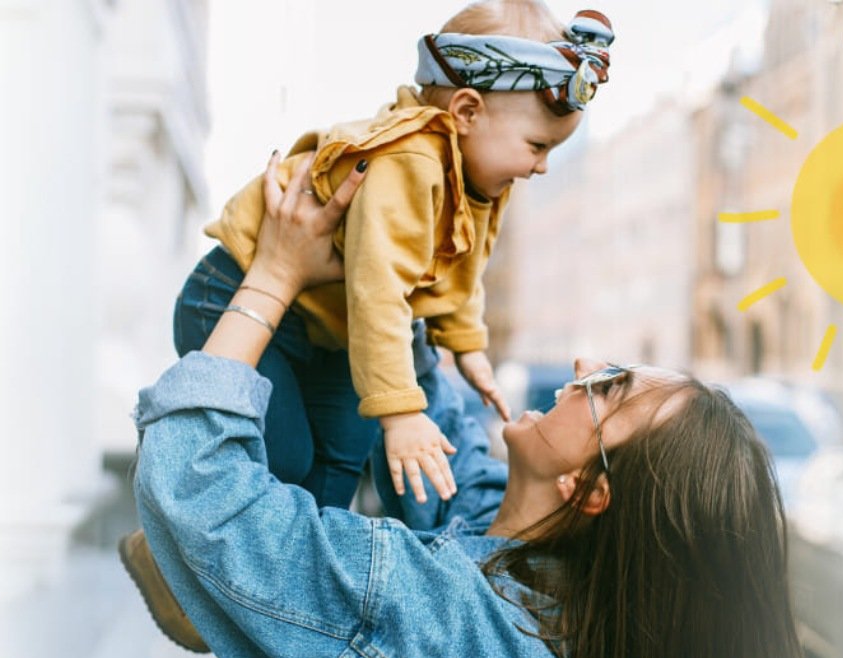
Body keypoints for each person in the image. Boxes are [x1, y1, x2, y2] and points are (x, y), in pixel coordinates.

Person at [125, 150, 832, 658]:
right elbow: (446, 439)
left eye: (611, 388)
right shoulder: (539, 588)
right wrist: (391, 253)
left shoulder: (441, 624)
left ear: (589, 490)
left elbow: (199, 486)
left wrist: (274, 276)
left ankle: (207, 600)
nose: (586, 366)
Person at [172, 0, 614, 509]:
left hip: (331, 331)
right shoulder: (408, 161)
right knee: (288, 457)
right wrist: (402, 413)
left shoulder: (474, 177)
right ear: (466, 112)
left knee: (343, 450)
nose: (541, 168)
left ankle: (300, 573)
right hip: (233, 296)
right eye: (538, 146)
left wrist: (466, 345)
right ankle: (188, 540)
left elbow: (462, 266)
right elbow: (378, 291)